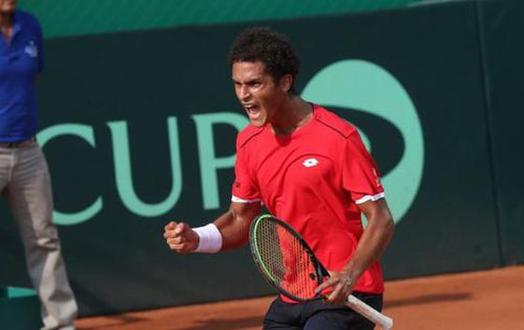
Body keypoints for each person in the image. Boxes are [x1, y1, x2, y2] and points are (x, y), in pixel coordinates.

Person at [164, 27, 395, 329]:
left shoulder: (339, 138)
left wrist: (349, 273)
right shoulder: (248, 142)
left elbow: (381, 218)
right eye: (238, 85)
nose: (244, 95)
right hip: (294, 294)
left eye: (255, 84)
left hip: (345, 293)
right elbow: (240, 219)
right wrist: (198, 238)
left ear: (285, 82)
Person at [0, 1, 78, 329]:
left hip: (29, 150)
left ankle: (60, 324)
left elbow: (32, 77)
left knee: (44, 239)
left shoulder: (30, 25)